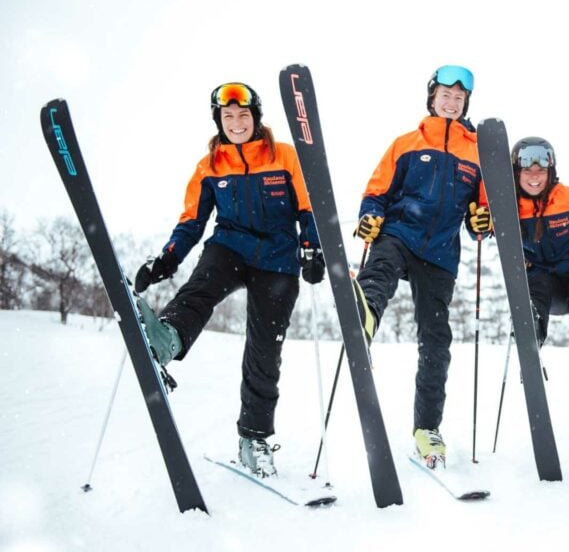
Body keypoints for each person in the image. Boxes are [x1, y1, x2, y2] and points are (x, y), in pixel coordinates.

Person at [133, 82, 325, 478]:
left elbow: (308, 208)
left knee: (264, 350)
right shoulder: (210, 166)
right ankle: (168, 337)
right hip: (230, 247)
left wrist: (313, 248)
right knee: (201, 287)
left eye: (243, 115)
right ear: (219, 121)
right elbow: (191, 222)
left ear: (256, 117)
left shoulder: (285, 156)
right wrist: (165, 261)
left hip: (278, 260)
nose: (236, 123)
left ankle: (254, 438)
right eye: (228, 116)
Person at [353, 65, 491, 469]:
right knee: (380, 271)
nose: (452, 101)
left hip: (442, 252)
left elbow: (481, 211)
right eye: (445, 94)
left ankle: (426, 429)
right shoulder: (406, 143)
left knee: (436, 339)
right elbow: (376, 192)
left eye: (459, 97)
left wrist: (483, 221)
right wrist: (368, 216)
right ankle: (364, 314)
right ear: (432, 98)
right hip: (399, 232)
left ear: (466, 103)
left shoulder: (477, 151)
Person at [512, 136, 569, 348]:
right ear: (517, 173)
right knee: (537, 287)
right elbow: (479, 228)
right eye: (527, 171)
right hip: (540, 277)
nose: (534, 176)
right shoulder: (510, 206)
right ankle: (530, 335)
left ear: (550, 172)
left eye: (541, 171)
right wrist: (477, 223)